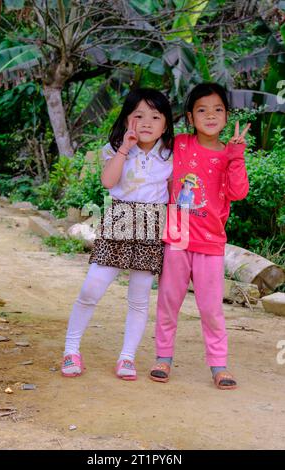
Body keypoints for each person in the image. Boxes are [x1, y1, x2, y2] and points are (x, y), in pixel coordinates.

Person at [61, 88, 174, 380]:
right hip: (119, 220)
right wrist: (125, 148)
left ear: (166, 123)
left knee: (139, 298)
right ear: (126, 120)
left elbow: (174, 194)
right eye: (138, 115)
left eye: (155, 116)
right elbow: (108, 182)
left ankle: (127, 357)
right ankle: (71, 349)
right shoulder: (114, 149)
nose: (146, 122)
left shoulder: (170, 154)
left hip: (151, 226)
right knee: (91, 289)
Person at [150, 82, 250, 389]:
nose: (210, 115)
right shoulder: (179, 144)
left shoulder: (229, 155)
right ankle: (163, 358)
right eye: (202, 110)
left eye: (218, 109)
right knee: (168, 302)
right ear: (190, 118)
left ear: (227, 115)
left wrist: (235, 157)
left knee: (211, 309)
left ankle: (219, 365)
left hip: (210, 243)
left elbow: (238, 192)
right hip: (177, 238)